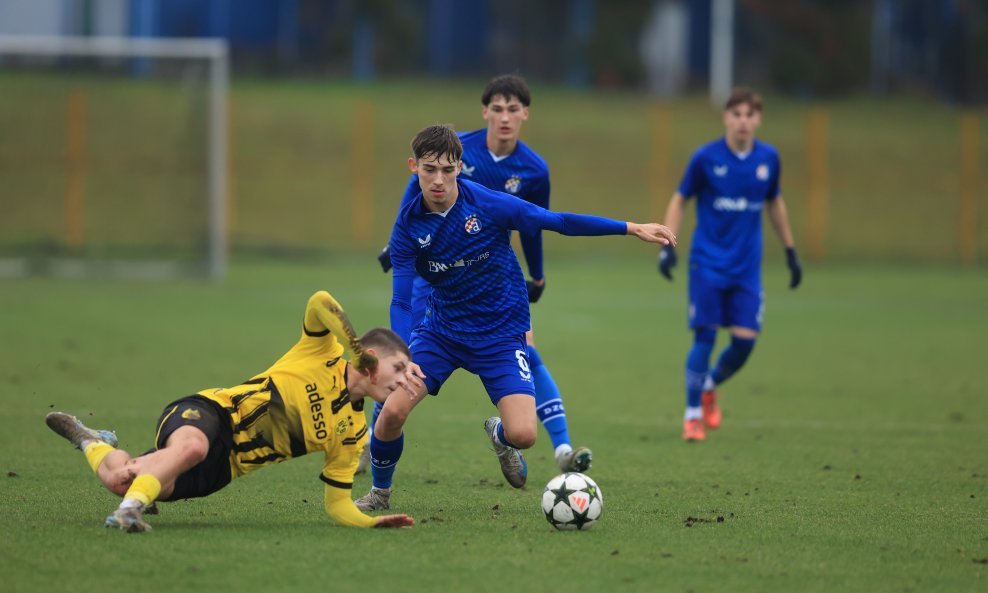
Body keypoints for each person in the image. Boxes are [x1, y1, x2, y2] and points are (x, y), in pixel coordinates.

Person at [355, 124, 676, 510]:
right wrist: (401, 359)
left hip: (500, 333)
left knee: (524, 434)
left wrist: (630, 228)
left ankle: (500, 439)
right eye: (429, 170)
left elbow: (557, 222)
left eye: (446, 169)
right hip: (442, 333)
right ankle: (379, 494)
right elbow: (403, 302)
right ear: (413, 167)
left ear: (460, 167)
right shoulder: (408, 227)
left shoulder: (490, 204)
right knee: (391, 413)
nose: (438, 179)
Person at [46, 290, 416, 532]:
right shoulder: (323, 352)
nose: (403, 381)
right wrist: (353, 345)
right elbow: (319, 301)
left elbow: (337, 505)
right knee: (191, 448)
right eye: (398, 368)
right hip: (211, 411)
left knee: (121, 477)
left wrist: (371, 523)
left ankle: (92, 442)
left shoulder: (352, 434)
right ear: (370, 357)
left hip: (225, 468)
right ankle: (130, 510)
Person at [370, 74, 592, 476]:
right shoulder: (456, 150)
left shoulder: (533, 170)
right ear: (485, 111)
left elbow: (536, 224)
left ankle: (545, 442)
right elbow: (415, 196)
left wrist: (537, 274)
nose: (504, 117)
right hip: (433, 273)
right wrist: (395, 241)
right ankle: (377, 442)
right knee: (406, 361)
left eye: (513, 109)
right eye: (498, 108)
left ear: (525, 114)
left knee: (526, 350)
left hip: (489, 275)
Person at [657, 87, 802, 442]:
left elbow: (775, 203)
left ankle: (709, 385)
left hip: (746, 269)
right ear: (725, 117)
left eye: (749, 115)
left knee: (745, 342)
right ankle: (692, 416)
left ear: (758, 120)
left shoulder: (769, 159)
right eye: (736, 114)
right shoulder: (706, 158)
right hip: (707, 263)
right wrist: (667, 244)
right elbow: (680, 200)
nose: (743, 121)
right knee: (705, 335)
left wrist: (790, 251)